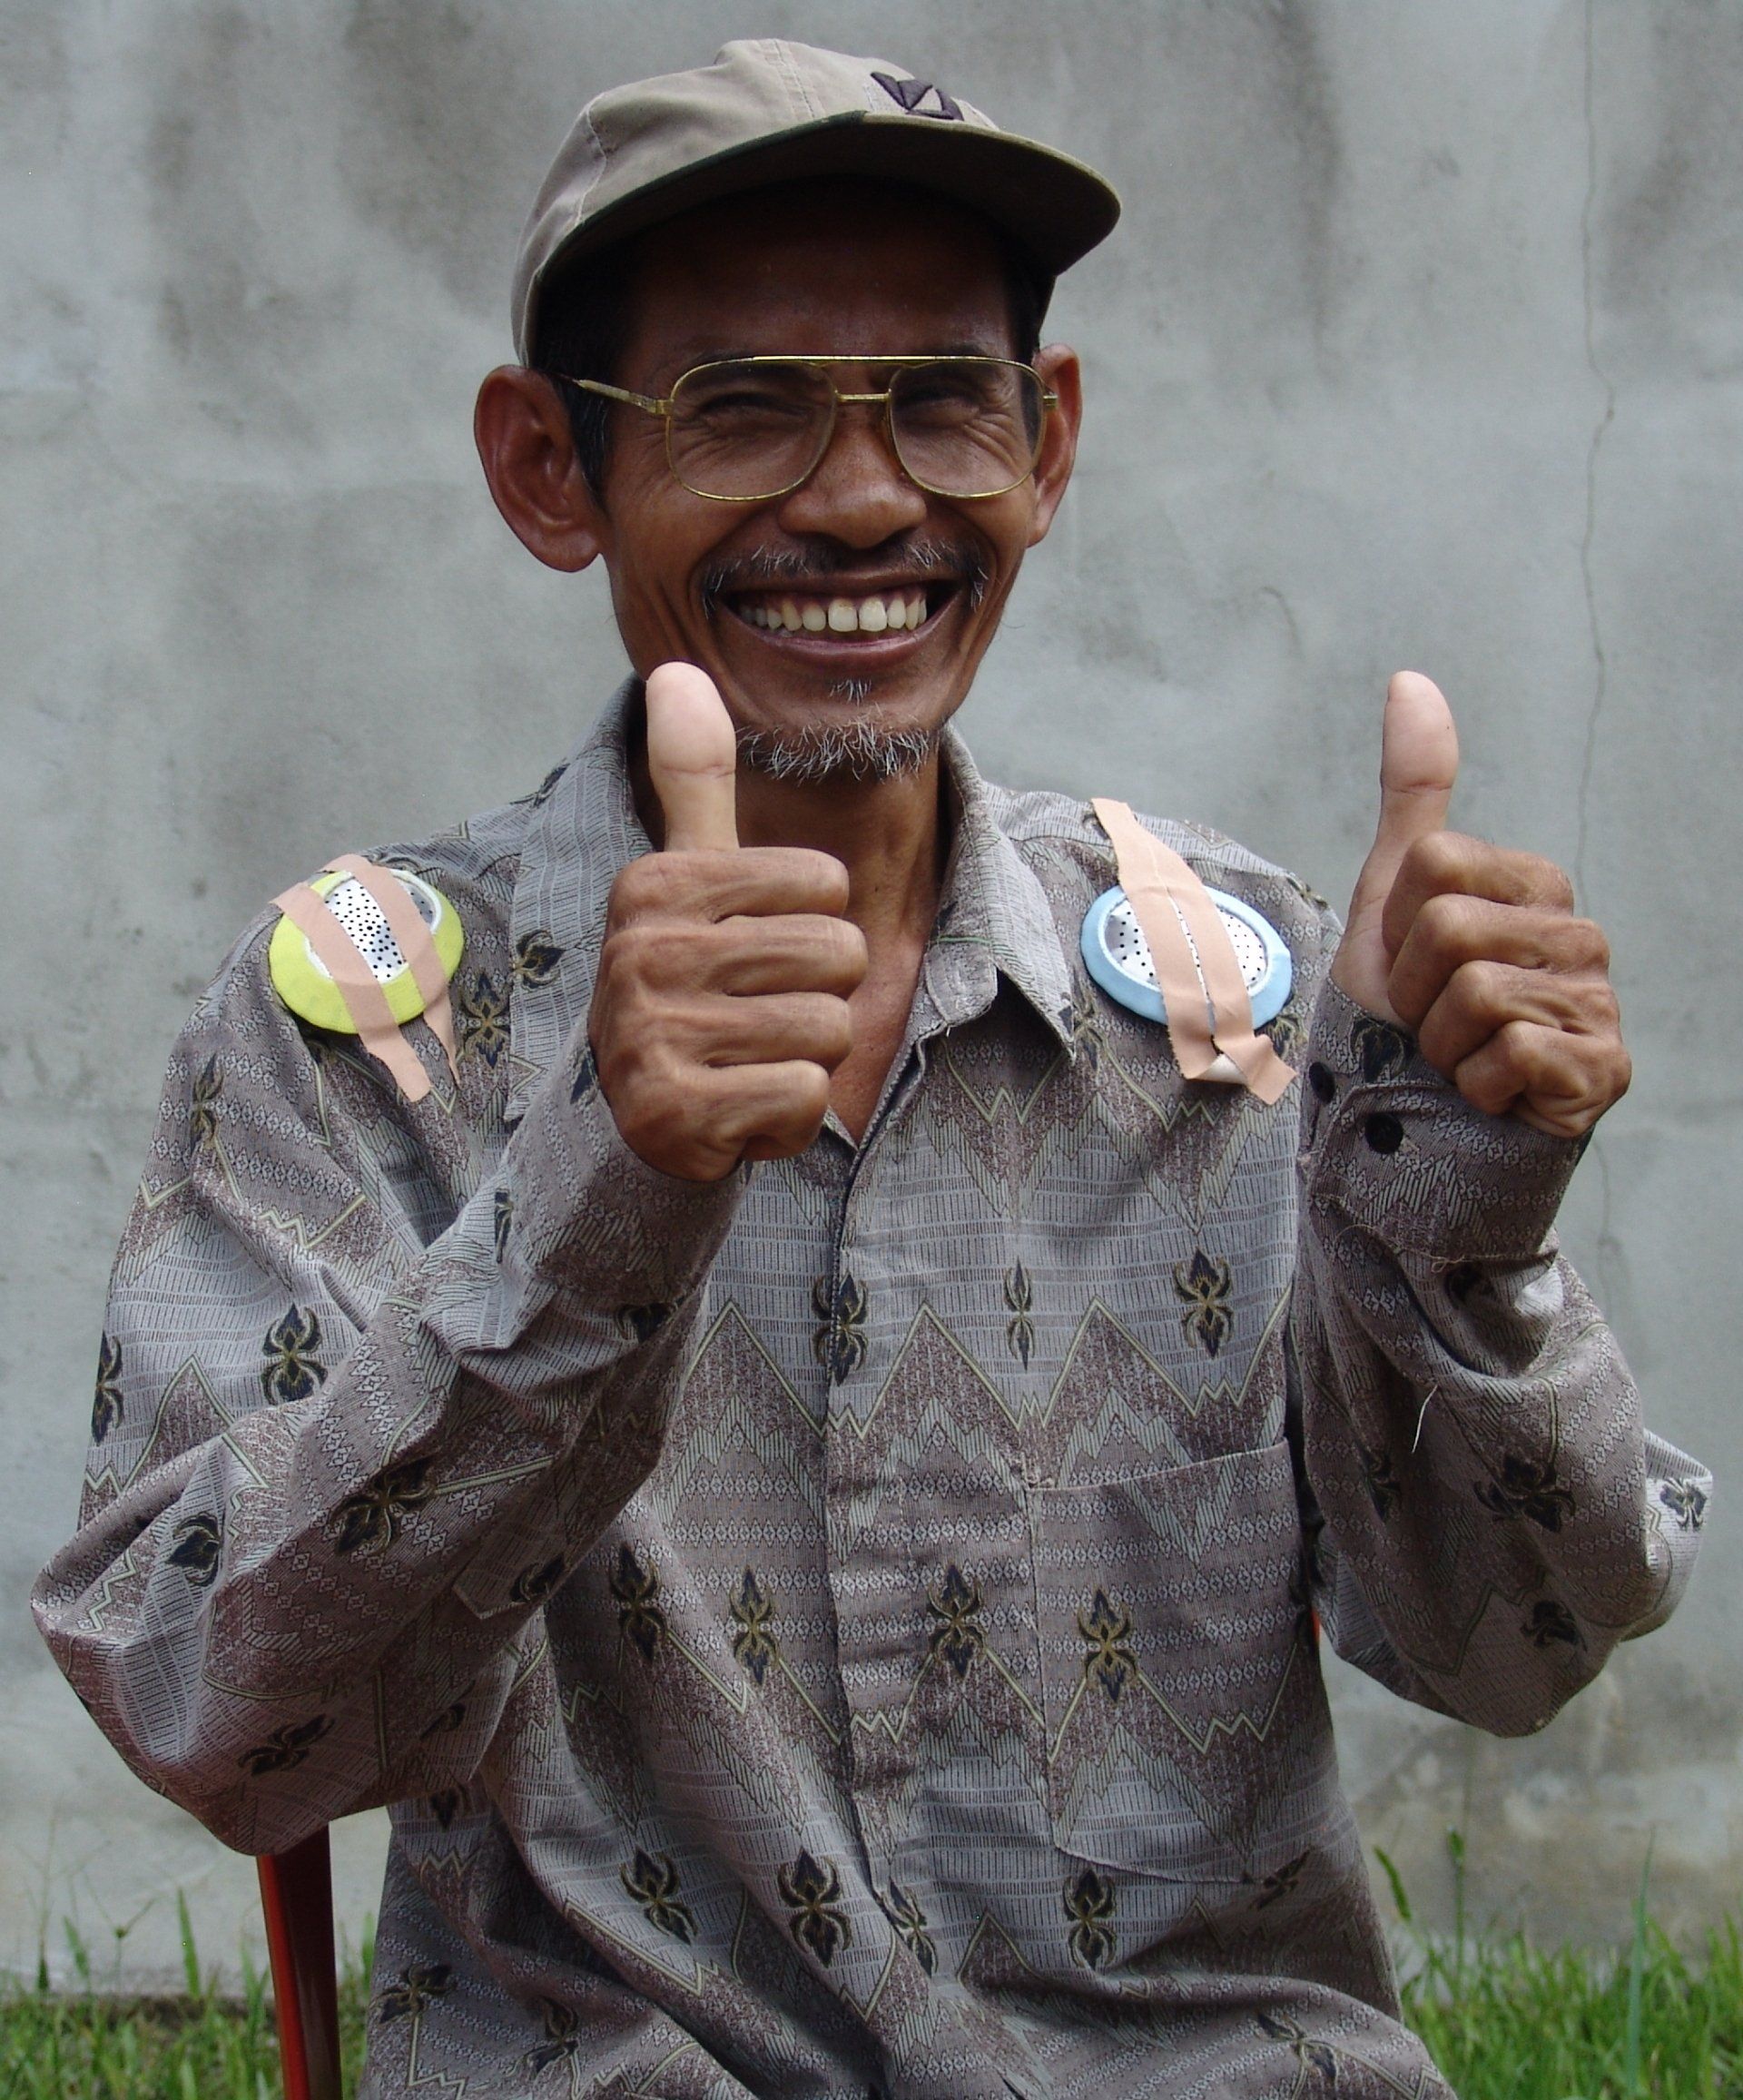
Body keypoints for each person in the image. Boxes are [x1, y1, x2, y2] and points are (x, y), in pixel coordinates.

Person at [34, 38, 1709, 2100]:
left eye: (939, 400)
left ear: (1048, 440)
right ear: (549, 465)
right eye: (741, 406)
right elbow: (214, 1714)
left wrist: (1454, 1220)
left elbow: (1512, 1647)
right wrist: (592, 1206)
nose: (859, 499)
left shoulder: (1238, 1008)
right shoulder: (371, 1035)